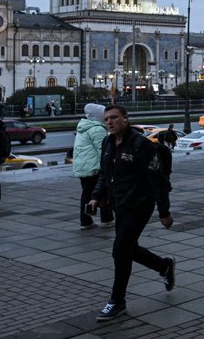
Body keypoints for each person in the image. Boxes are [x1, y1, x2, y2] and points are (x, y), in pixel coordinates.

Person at [89, 105, 174, 322]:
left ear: (126, 119)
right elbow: (104, 173)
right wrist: (96, 196)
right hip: (120, 205)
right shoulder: (108, 143)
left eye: (114, 117)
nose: (110, 122)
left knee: (120, 250)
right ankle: (163, 265)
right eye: (107, 118)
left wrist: (164, 211)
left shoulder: (140, 145)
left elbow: (157, 180)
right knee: (129, 248)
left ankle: (117, 301)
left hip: (139, 206)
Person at [74, 103, 114, 230]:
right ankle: (106, 219)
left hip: (84, 167)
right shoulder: (97, 129)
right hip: (95, 167)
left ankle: (86, 221)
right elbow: (103, 151)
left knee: (86, 194)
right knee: (104, 192)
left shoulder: (84, 127)